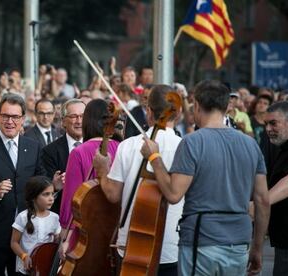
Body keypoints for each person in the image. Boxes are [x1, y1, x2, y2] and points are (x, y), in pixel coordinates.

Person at [140, 80, 269, 275]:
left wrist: (155, 158)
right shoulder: (250, 144)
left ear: (197, 106)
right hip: (239, 242)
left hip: (201, 242)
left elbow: (173, 194)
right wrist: (257, 248)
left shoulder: (192, 142)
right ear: (226, 107)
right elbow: (262, 200)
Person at [0, 93, 62, 276]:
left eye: (15, 117)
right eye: (5, 116)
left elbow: (39, 183)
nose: (10, 121)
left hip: (26, 237)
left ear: (23, 119)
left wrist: (53, 186)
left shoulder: (33, 146)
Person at [93, 85, 183, 275]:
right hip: (173, 247)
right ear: (178, 113)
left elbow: (113, 194)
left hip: (131, 246)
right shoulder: (186, 148)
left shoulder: (128, 146)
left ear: (149, 112)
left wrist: (102, 171)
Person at [60, 99, 120, 255]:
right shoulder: (121, 148)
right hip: (115, 229)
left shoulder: (78, 153)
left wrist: (65, 236)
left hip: (85, 229)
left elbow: (71, 199)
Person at [41, 99, 85, 214]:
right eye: (74, 116)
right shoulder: (49, 152)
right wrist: (54, 187)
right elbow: (43, 195)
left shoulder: (97, 147)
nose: (79, 121)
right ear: (63, 121)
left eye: (82, 116)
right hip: (62, 216)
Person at [10, 176, 61, 275]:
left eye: (52, 194)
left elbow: (57, 241)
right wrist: (24, 256)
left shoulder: (55, 218)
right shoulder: (23, 217)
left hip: (46, 268)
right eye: (46, 194)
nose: (51, 198)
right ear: (34, 197)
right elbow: (14, 243)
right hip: (26, 270)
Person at [262, 101, 288, 275]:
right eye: (266, 124)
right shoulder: (278, 148)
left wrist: (258, 206)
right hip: (282, 238)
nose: (268, 129)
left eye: (273, 123)